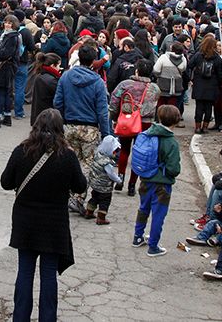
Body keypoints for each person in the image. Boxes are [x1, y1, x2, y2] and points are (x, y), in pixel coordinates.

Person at [0, 109, 87, 322]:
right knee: (49, 274)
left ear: (35, 127)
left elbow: (5, 182)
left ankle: (20, 317)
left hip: (25, 221)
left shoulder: (21, 151)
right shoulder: (67, 156)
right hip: (54, 224)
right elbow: (80, 186)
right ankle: (48, 318)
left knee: (25, 271)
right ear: (60, 130)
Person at [53, 45, 111, 211]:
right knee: (86, 164)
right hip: (89, 128)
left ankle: (65, 193)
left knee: (67, 160)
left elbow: (58, 102)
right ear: (93, 61)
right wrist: (106, 134)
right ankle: (78, 196)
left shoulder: (66, 76)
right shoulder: (98, 82)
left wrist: (62, 120)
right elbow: (102, 111)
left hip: (69, 125)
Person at [131, 104, 182, 257]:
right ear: (176, 121)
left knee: (143, 208)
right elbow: (174, 168)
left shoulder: (148, 133)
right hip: (162, 184)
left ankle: (137, 236)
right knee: (158, 214)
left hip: (145, 179)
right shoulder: (171, 142)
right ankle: (153, 246)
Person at [108, 58, 159, 196]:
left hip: (127, 121)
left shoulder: (125, 84)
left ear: (136, 70)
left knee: (124, 150)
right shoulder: (154, 89)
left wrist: (114, 117)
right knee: (139, 153)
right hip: (145, 123)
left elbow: (114, 101)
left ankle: (120, 178)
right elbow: (155, 108)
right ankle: (132, 185)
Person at [0, 15, 22, 128]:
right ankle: (7, 117)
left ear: (14, 24)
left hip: (6, 67)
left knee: (0, 92)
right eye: (6, 22)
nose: (7, 24)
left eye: (10, 23)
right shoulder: (14, 35)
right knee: (6, 92)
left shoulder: (11, 37)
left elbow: (4, 54)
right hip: (10, 66)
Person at [81, 135, 121, 225]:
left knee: (94, 198)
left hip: (95, 184)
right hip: (105, 187)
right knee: (105, 202)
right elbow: (111, 174)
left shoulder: (97, 155)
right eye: (114, 151)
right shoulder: (107, 163)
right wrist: (118, 180)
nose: (115, 153)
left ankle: (89, 212)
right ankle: (101, 218)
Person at [189, 34, 222, 134]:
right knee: (209, 107)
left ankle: (197, 127)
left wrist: (192, 77)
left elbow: (190, 65)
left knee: (199, 106)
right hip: (212, 85)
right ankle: (205, 127)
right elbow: (220, 74)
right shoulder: (217, 58)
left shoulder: (198, 55)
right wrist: (220, 84)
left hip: (199, 83)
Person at [153, 41, 188, 108]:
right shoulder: (183, 59)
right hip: (176, 86)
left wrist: (158, 76)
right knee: (173, 106)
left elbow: (156, 70)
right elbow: (183, 69)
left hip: (163, 84)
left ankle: (161, 117)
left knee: (161, 105)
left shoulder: (163, 57)